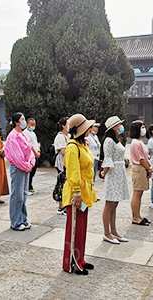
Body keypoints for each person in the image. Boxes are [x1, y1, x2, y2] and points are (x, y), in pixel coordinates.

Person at [62, 114, 97, 275]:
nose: (90, 129)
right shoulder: (72, 147)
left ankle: (80, 258)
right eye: (88, 127)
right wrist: (76, 193)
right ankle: (72, 262)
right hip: (76, 192)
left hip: (85, 190)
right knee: (74, 228)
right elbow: (73, 172)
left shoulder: (82, 144)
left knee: (82, 228)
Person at [100, 116, 130, 244]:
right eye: (119, 124)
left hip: (119, 171)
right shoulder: (108, 141)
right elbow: (107, 158)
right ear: (113, 126)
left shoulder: (116, 139)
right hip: (113, 172)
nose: (121, 126)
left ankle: (114, 231)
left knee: (115, 203)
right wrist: (104, 173)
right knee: (110, 203)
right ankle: (107, 232)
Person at [4, 112, 35, 231]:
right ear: (16, 122)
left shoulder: (22, 134)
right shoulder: (13, 137)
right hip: (18, 168)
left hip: (26, 167)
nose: (24, 121)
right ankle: (16, 222)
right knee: (17, 196)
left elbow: (30, 150)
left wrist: (31, 162)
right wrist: (27, 166)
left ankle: (23, 219)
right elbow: (16, 156)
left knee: (24, 195)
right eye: (22, 119)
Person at [130, 120, 153, 226]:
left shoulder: (140, 142)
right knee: (137, 193)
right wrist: (148, 168)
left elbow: (146, 157)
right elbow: (141, 159)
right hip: (139, 168)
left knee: (140, 194)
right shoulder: (135, 143)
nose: (144, 129)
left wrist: (149, 166)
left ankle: (138, 215)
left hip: (143, 168)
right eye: (142, 127)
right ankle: (135, 217)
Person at [53, 117, 70, 215]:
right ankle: (61, 206)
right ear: (63, 126)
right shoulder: (60, 137)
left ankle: (66, 204)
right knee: (62, 184)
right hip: (62, 163)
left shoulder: (69, 135)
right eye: (68, 123)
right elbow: (63, 151)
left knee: (67, 184)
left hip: (68, 162)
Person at [23, 118, 40, 195]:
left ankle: (30, 187)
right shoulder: (25, 133)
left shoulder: (33, 132)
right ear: (27, 124)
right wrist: (35, 153)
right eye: (31, 124)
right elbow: (29, 145)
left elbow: (36, 143)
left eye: (34, 124)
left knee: (33, 172)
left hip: (35, 155)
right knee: (29, 172)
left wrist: (38, 151)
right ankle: (27, 188)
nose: (33, 126)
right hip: (30, 156)